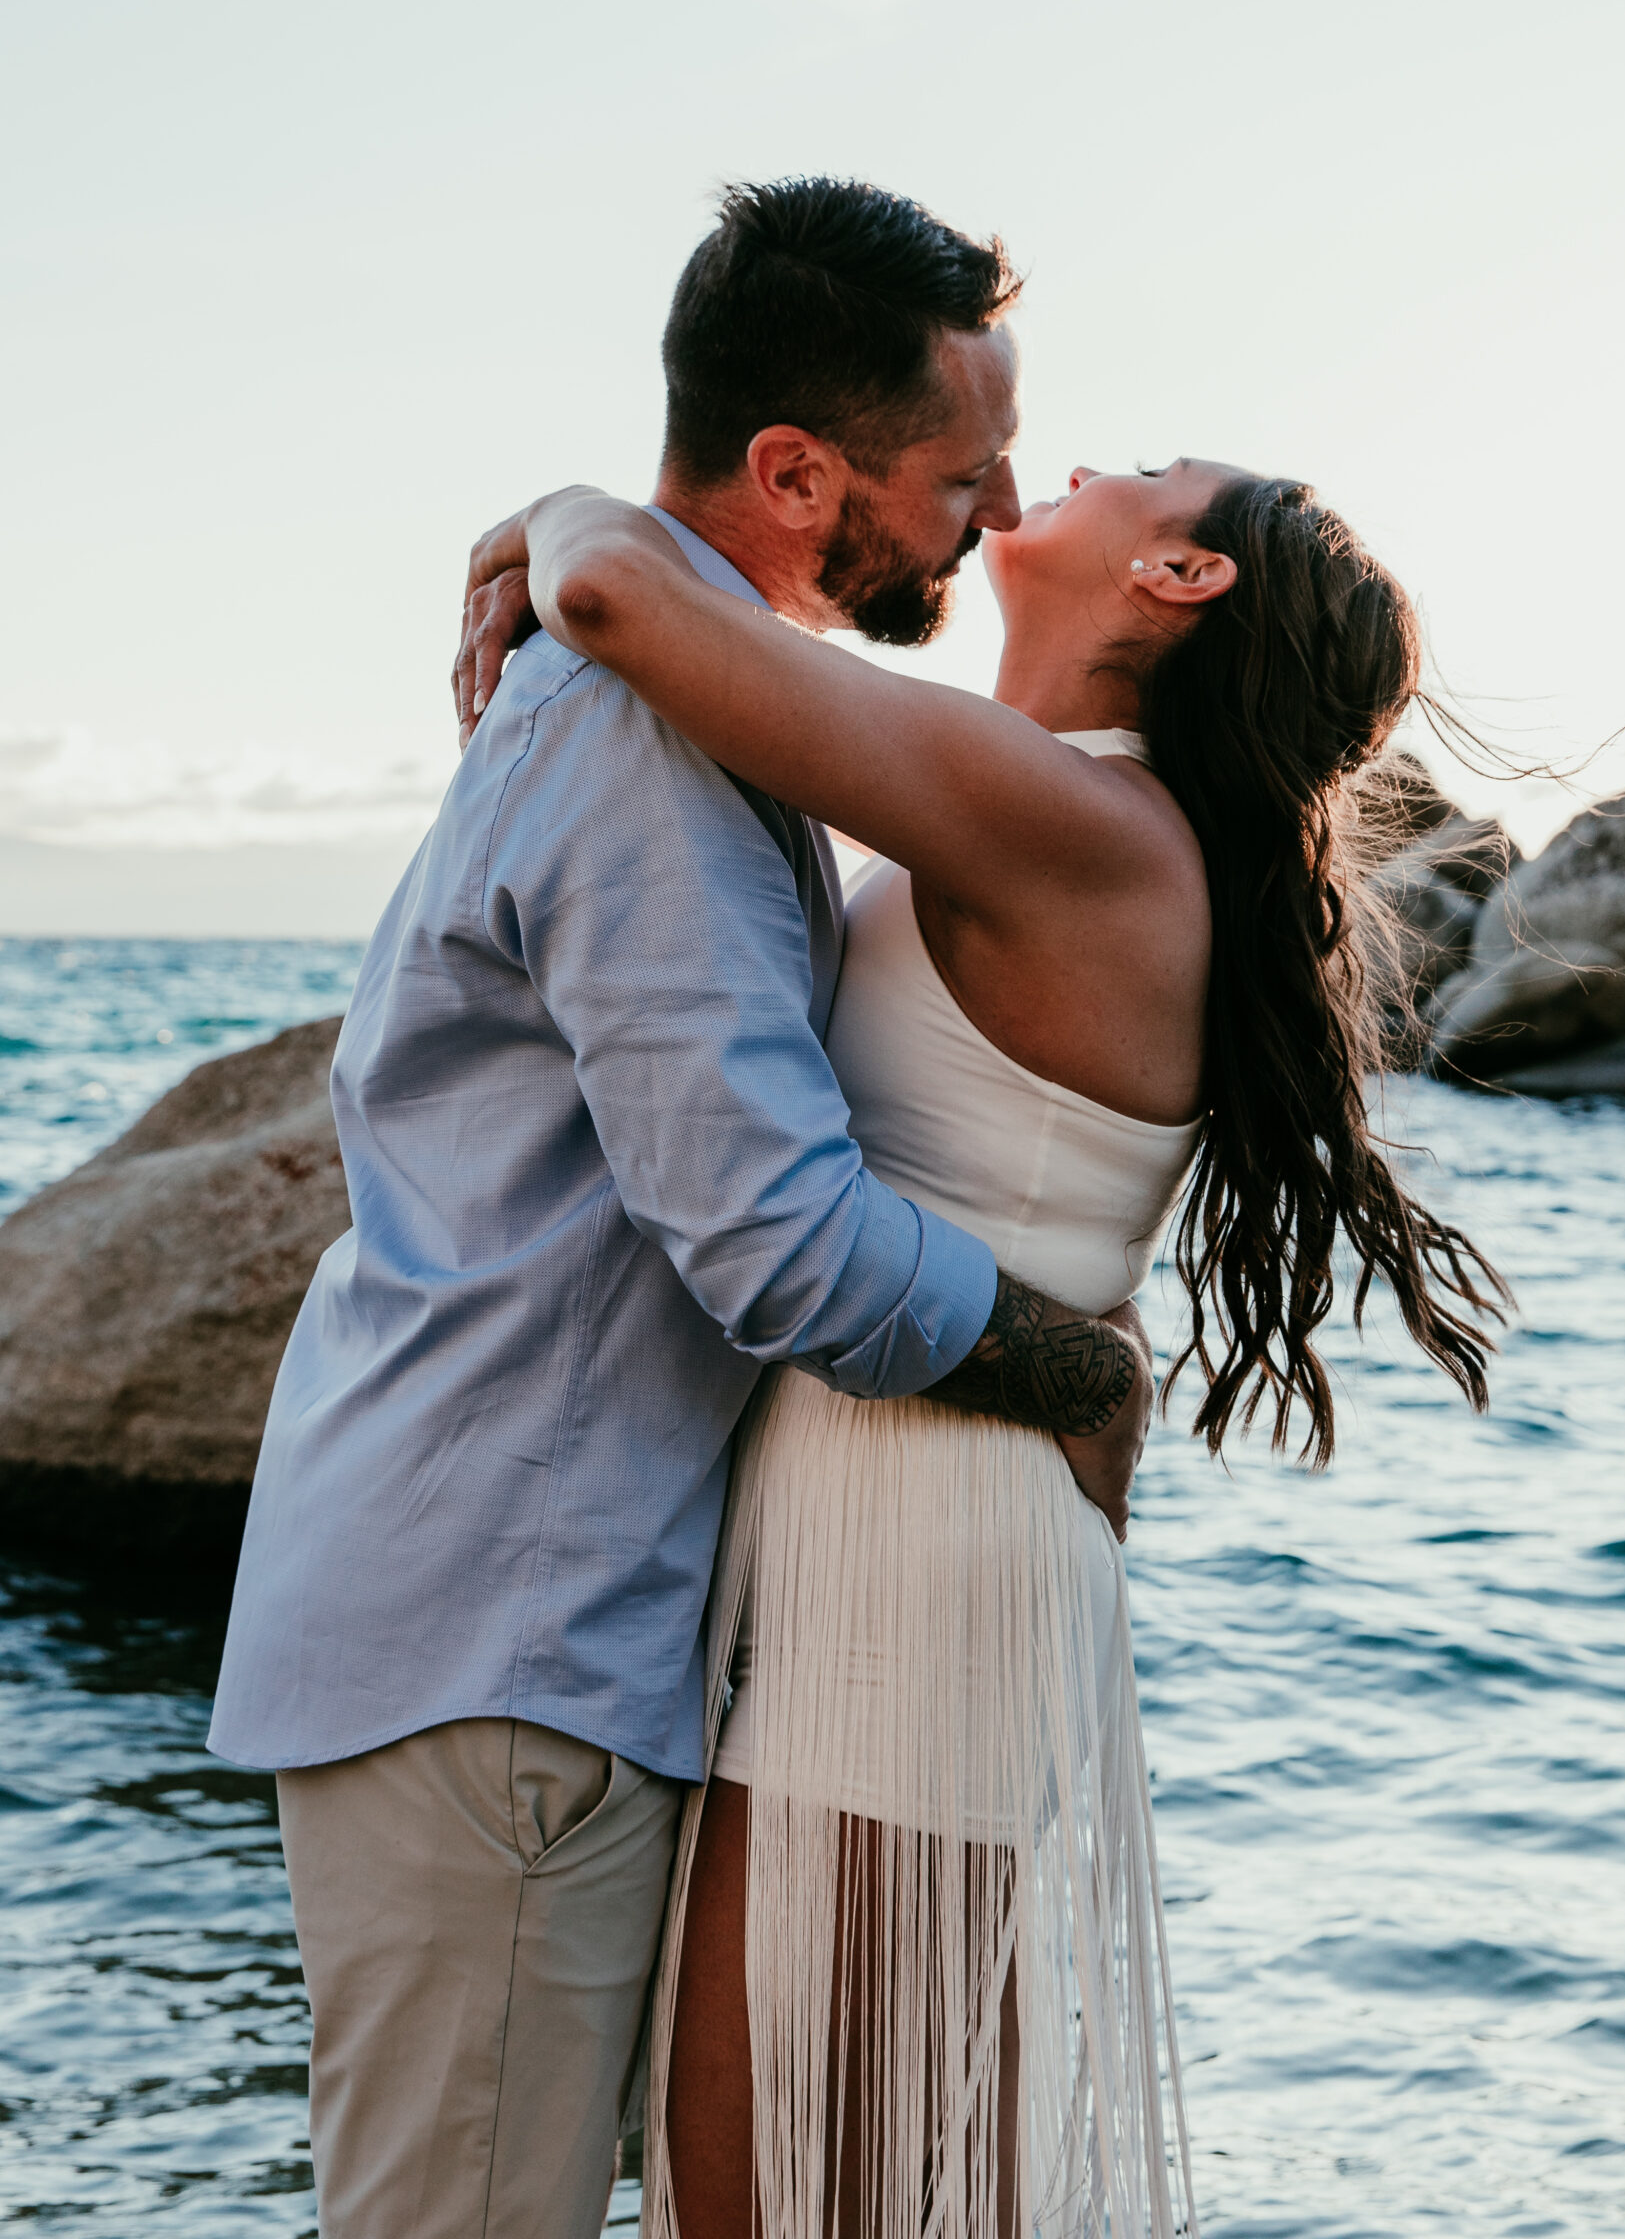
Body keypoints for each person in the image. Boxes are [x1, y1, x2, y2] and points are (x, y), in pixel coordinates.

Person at [206, 177, 1159, 2239]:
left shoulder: (676, 694)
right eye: (954, 474)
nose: (987, 517)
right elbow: (771, 1233)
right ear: (798, 472)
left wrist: (575, 526)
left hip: (503, 1620)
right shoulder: (647, 737)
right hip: (504, 1638)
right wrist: (1066, 1359)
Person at [459, 440, 1510, 2238]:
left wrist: (546, 514)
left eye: (1148, 474)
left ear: (1181, 583)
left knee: (780, 2195)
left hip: (917, 1567)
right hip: (914, 1526)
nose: (1084, 465)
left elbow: (620, 598)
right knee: (836, 2185)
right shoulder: (1058, 811)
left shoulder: (1076, 818)